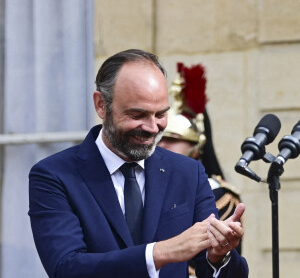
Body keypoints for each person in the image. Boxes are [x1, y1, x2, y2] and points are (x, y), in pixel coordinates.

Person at [28, 49, 248, 278]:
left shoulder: (188, 173)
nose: (153, 128)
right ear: (101, 105)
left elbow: (224, 272)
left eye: (161, 114)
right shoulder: (54, 175)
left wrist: (218, 256)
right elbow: (67, 268)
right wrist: (161, 252)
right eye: (137, 115)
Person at [158, 62, 243, 277]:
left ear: (196, 149)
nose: (163, 145)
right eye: (160, 139)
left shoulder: (220, 196)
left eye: (173, 139)